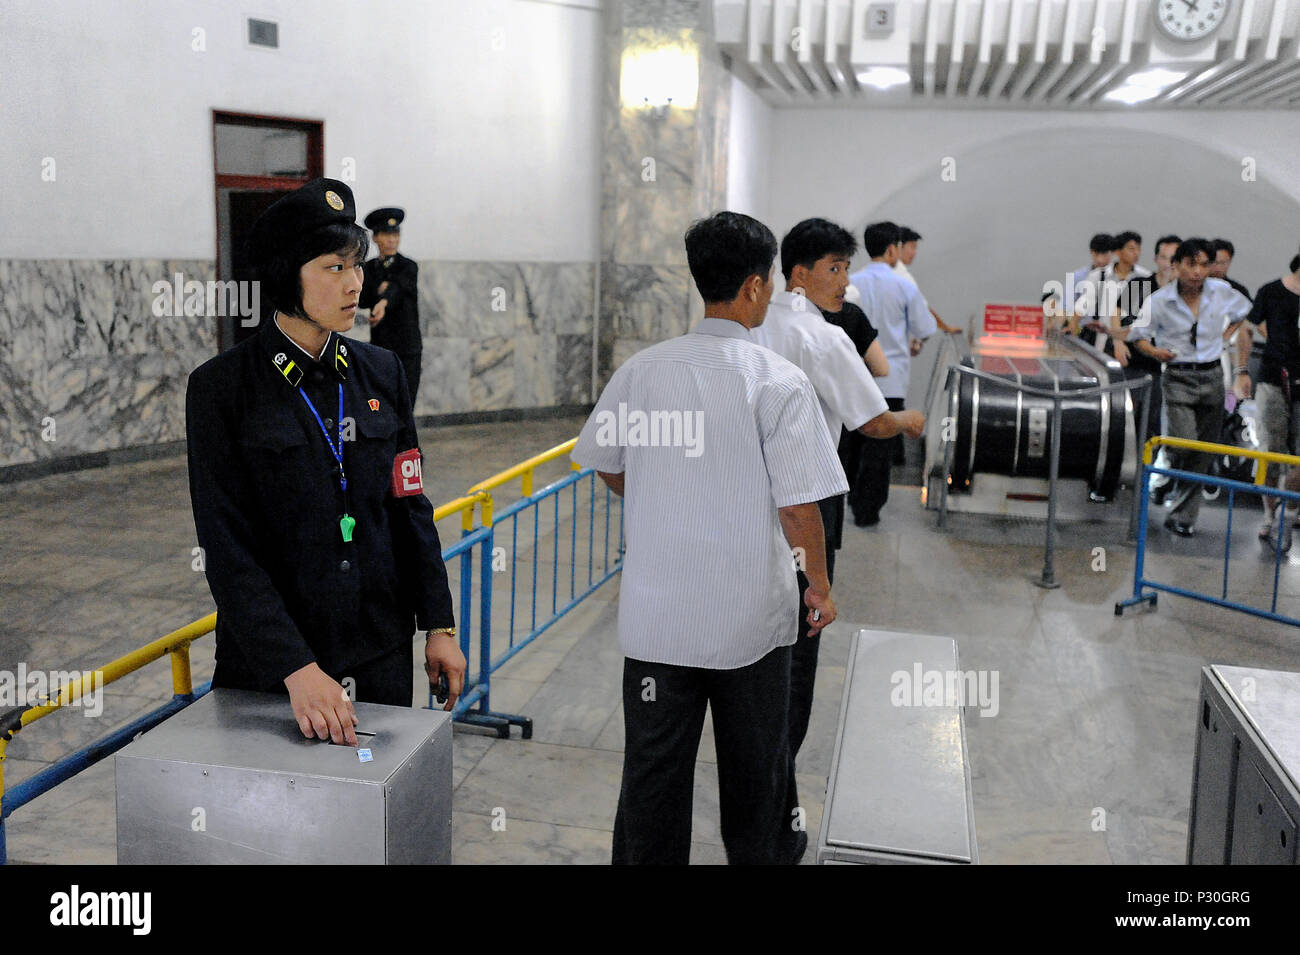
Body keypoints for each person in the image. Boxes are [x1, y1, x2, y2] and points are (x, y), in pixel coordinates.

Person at [572, 211, 847, 865]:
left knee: (652, 777)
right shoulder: (775, 380)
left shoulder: (642, 371)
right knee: (757, 775)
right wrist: (821, 587)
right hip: (749, 620)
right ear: (755, 286)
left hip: (657, 623)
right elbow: (798, 505)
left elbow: (607, 462)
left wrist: (657, 490)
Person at [186, 178, 466, 746]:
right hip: (277, 671)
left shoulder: (380, 371)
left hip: (378, 652)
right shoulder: (222, 389)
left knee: (377, 820)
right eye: (333, 268)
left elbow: (410, 503)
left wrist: (439, 623)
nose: (355, 285)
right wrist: (294, 667)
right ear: (288, 274)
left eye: (357, 267)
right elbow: (227, 546)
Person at [751, 217, 924, 759]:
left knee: (750, 624)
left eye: (846, 268)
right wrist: (909, 422)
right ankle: (779, 762)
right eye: (833, 268)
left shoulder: (749, 328)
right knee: (803, 630)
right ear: (798, 273)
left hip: (746, 496)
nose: (844, 283)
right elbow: (871, 421)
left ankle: (752, 745)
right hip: (804, 498)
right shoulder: (822, 336)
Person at [1129, 238, 1252, 537]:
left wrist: (1224, 337)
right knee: (1184, 443)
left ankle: (1183, 516)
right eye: (1191, 264)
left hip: (1211, 376)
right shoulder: (1159, 301)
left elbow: (1243, 313)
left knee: (1203, 452)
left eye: (1203, 265)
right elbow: (1138, 335)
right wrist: (1156, 352)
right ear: (1177, 266)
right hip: (1178, 377)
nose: (1197, 271)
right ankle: (1166, 472)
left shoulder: (1221, 292)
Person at [848, 221, 935, 525]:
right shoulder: (903, 285)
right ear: (891, 249)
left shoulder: (850, 283)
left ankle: (847, 499)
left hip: (854, 377)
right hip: (891, 380)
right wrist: (913, 341)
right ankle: (868, 510)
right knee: (879, 447)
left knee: (852, 442)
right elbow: (925, 327)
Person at [1234, 246, 1300, 550]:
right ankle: (1269, 514)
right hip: (1274, 380)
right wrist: (1242, 371)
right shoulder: (1272, 292)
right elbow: (1246, 330)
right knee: (1272, 451)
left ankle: (1289, 510)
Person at [360, 207, 423, 403]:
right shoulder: (368, 268)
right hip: (381, 346)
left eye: (396, 235)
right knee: (381, 402)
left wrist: (384, 299)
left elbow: (399, 287)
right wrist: (377, 291)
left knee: (405, 403)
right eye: (386, 235)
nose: (392, 240)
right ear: (375, 238)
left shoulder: (408, 266)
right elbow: (362, 299)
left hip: (407, 347)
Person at [894, 226, 960, 333]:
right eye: (912, 247)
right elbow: (923, 309)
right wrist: (945, 328)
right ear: (899, 246)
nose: (915, 252)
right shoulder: (902, 277)